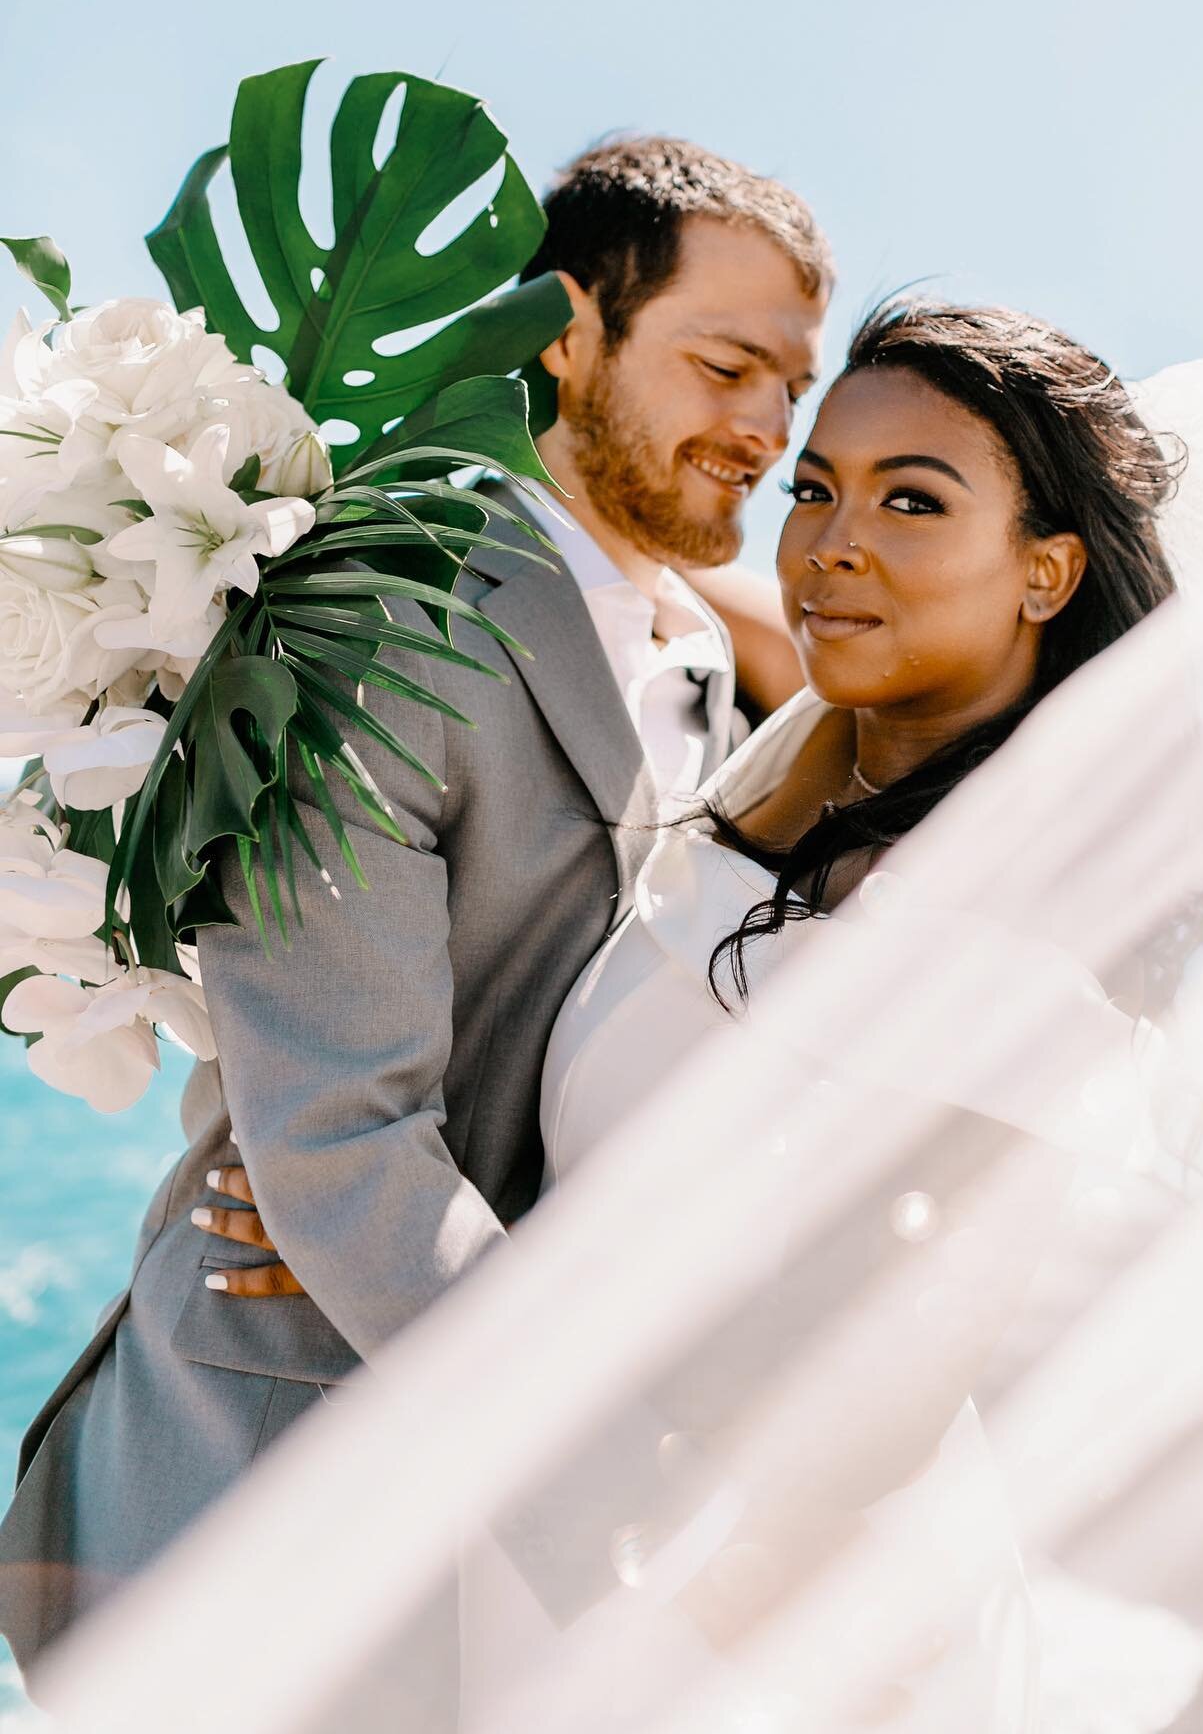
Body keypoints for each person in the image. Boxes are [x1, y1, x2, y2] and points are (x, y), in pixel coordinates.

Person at [181, 298, 1187, 1726]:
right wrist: (363, 1224)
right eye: (816, 487)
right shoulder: (789, 785)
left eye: (914, 499)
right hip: (565, 1525)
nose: (833, 539)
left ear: (1046, 573)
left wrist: (690, 1621)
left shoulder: (1013, 923)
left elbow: (895, 1371)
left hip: (735, 1601)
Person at [0, 135, 831, 1680]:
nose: (769, 427)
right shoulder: (377, 613)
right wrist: (644, 1517)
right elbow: (341, 1139)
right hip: (281, 1486)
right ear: (569, 334)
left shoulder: (715, 675)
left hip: (510, 1500)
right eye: (725, 366)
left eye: (795, 383)